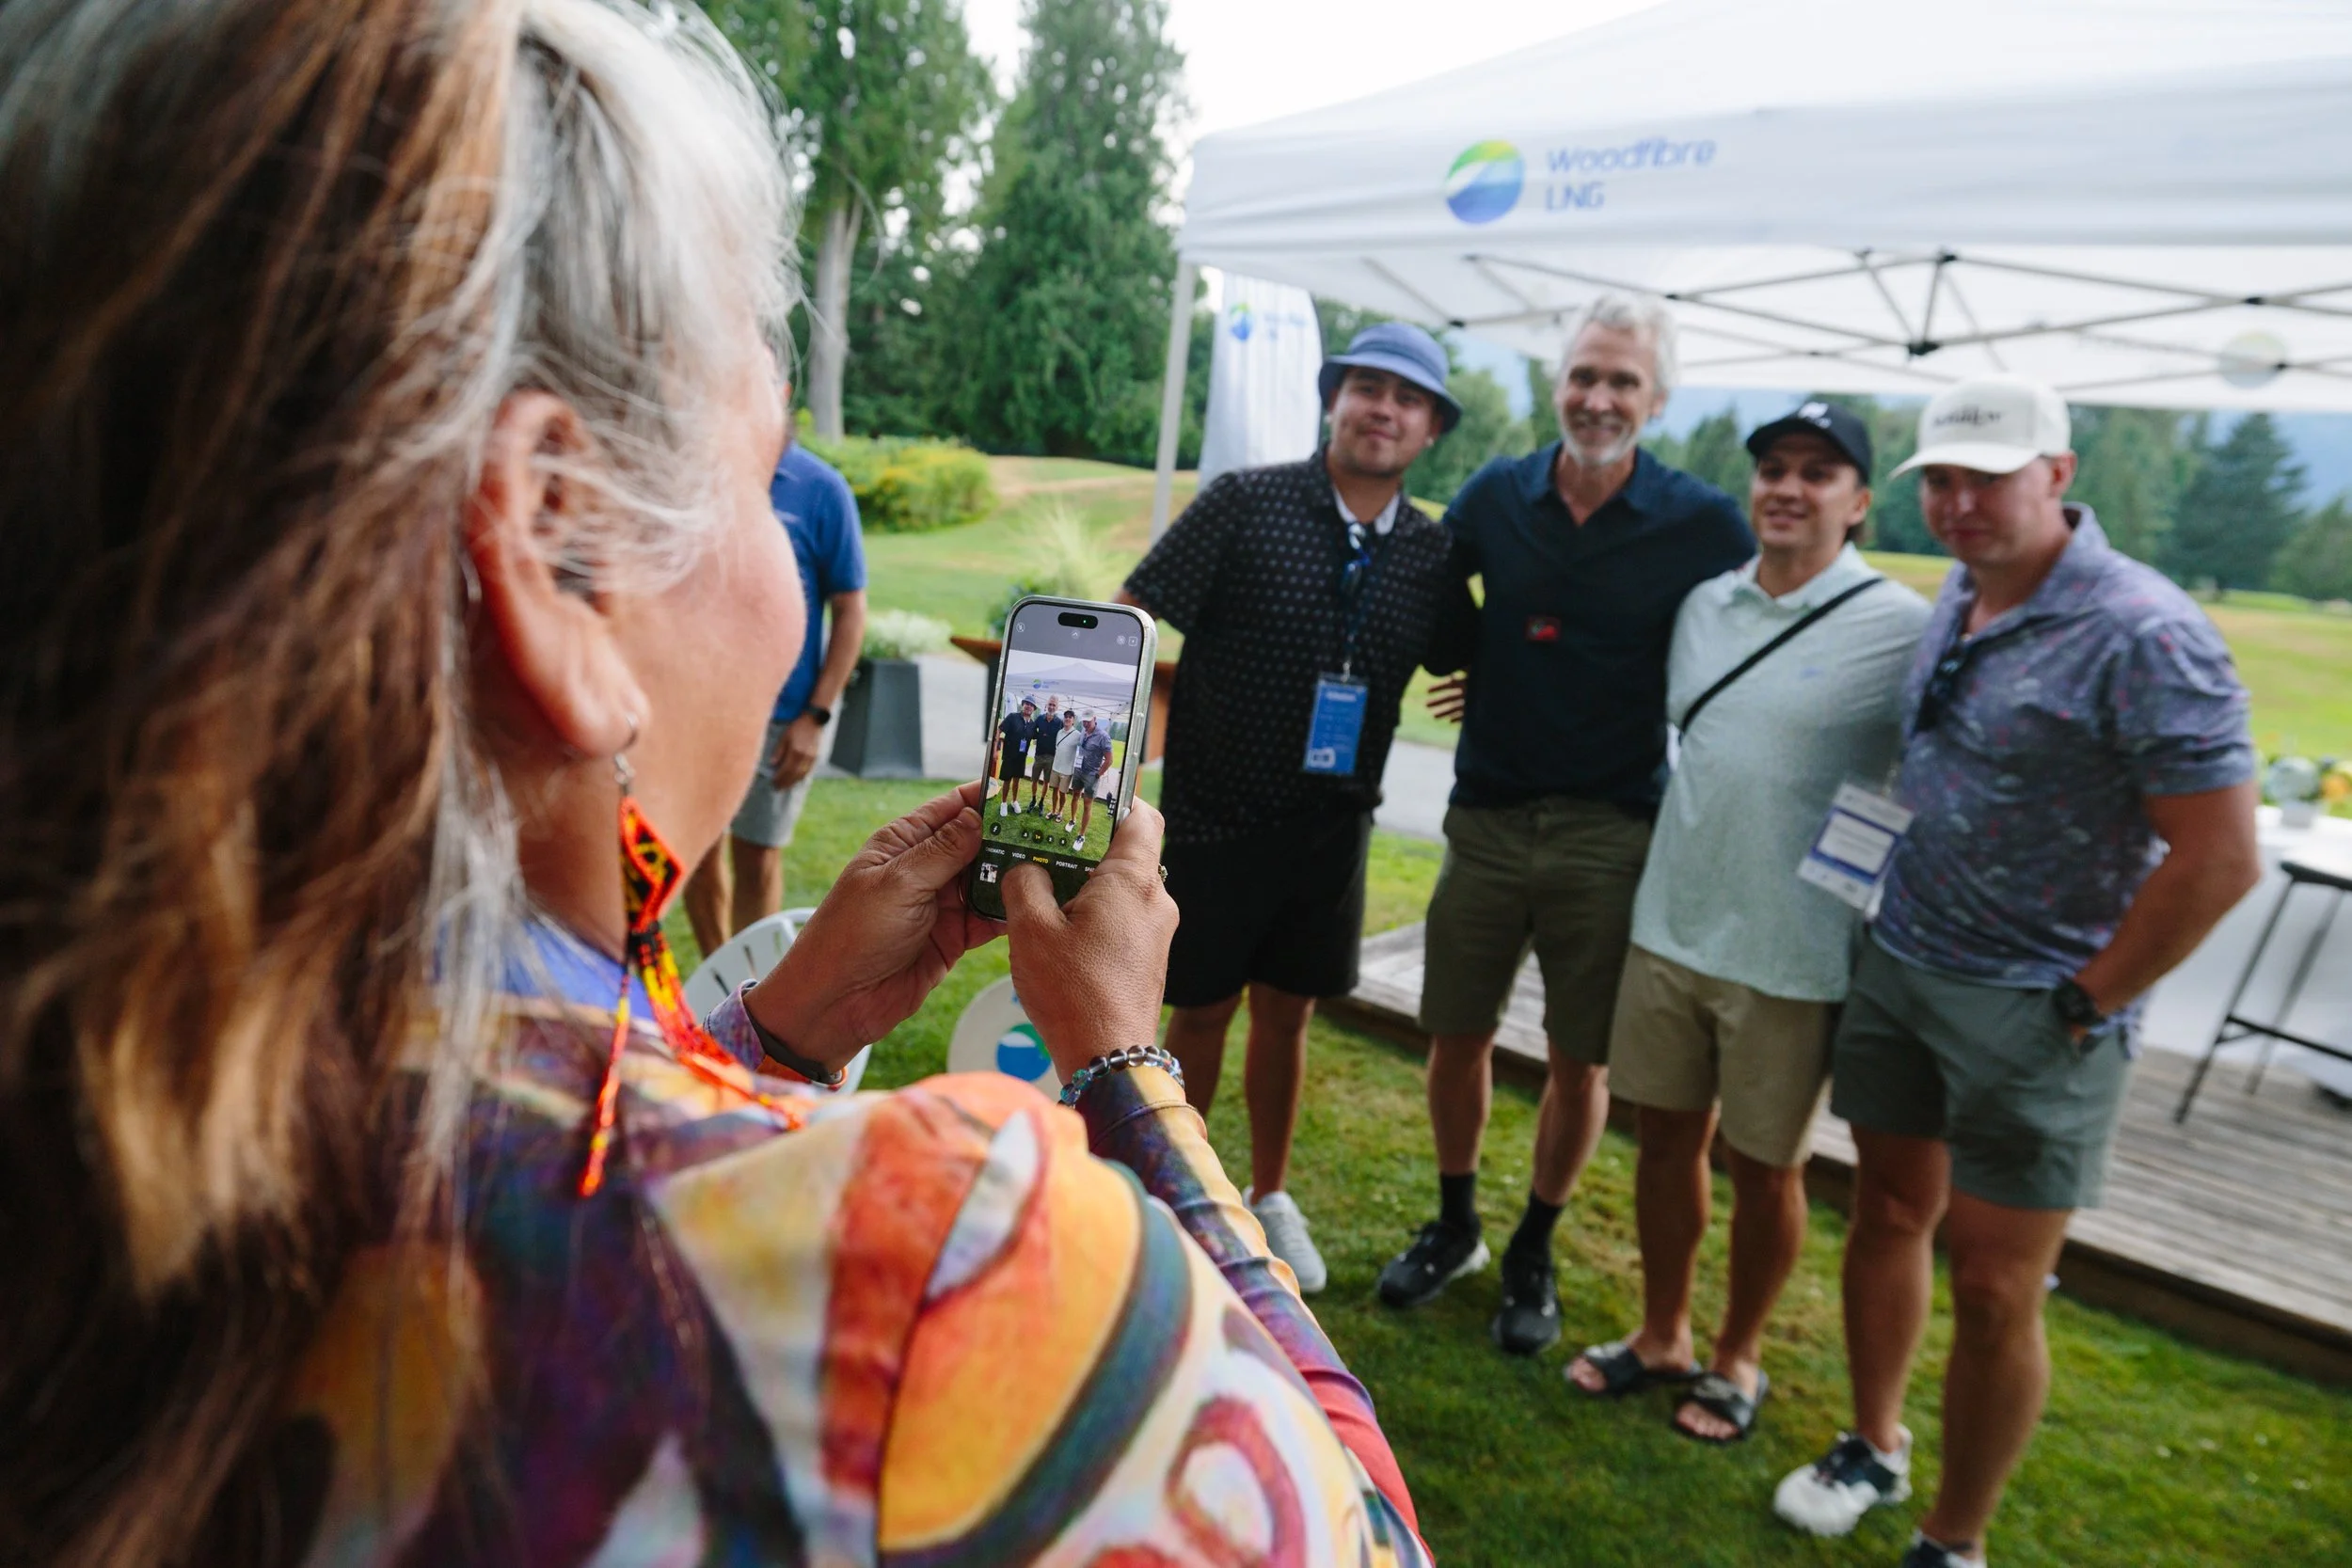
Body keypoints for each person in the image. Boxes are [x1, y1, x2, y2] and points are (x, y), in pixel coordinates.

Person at [0, 6, 1434, 1565]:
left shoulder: (113, 1072)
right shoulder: (944, 1263)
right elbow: (1365, 1531)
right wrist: (1122, 1072)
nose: (784, 585)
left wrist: (780, 1033)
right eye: (759, 480)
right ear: (555, 545)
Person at [1771, 377, 2260, 1568]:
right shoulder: (1965, 586)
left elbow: (2222, 853)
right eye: (1938, 478)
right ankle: (1873, 1441)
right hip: (1901, 956)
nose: (1956, 502)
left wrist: (2087, 999)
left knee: (1995, 1288)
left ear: (2059, 471)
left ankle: (1956, 1536)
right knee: (1886, 1211)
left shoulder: (2145, 631)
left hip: (2037, 1004)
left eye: (1985, 477)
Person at [1381, 293, 1755, 1356]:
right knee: (1454, 1034)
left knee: (1576, 1059)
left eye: (1622, 381)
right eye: (1584, 375)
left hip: (1613, 827)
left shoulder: (1704, 523)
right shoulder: (1498, 496)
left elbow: (1744, 639)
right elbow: (1449, 614)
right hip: (1489, 814)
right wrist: (1478, 666)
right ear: (1558, 385)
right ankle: (1455, 1222)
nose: (1599, 397)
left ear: (1660, 398)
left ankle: (1532, 1245)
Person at [1565, 403, 1931, 1444]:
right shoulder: (1703, 607)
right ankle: (1662, 1331)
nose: (1788, 486)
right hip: (1670, 923)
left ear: (1858, 502)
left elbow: (1931, 773)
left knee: (1767, 1167)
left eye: (1818, 472)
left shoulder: (1899, 625)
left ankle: (1738, 1356)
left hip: (1794, 950)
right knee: (1662, 1141)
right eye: (1773, 466)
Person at [1121, 322, 1470, 1296]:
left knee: (1288, 1013)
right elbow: (1140, 601)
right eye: (1366, 387)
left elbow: (1473, 656)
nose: (1382, 409)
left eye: (1405, 398)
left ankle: (1269, 1193)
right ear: (1335, 398)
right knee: (1199, 1010)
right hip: (1216, 813)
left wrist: (1479, 682)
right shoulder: (1246, 500)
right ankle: (1172, 1187)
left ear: (1430, 427)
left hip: (1332, 827)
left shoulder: (1433, 553)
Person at [683, 397, 866, 956]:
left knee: (758, 855)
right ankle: (720, 988)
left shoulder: (820, 488)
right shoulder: (695, 478)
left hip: (785, 713)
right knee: (697, 851)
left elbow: (850, 610)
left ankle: (748, 993)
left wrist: (817, 715)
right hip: (700, 709)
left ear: (782, 393)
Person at [988, 694, 1039, 826]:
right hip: (1009, 756)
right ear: (1023, 705)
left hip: (1022, 757)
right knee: (1007, 781)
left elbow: (1038, 738)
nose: (1029, 706)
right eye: (1027, 703)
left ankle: (1014, 801)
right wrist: (995, 749)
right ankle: (1004, 803)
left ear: (1034, 709)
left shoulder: (1033, 725)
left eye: (1031, 705)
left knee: (1017, 781)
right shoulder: (1012, 717)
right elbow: (999, 731)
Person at [1073, 713, 1115, 847]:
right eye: (1084, 721)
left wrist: (1098, 774)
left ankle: (1081, 835)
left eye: (1088, 721)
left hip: (1092, 775)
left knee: (1087, 804)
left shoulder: (1103, 736)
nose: (1085, 724)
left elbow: (1109, 760)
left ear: (1095, 719)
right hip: (1079, 770)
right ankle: (1072, 820)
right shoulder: (1084, 732)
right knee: (1075, 796)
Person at [1050, 706, 1082, 824]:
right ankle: (1053, 811)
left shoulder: (1077, 734)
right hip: (1055, 767)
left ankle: (1060, 812)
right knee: (1054, 790)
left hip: (1067, 771)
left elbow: (1084, 748)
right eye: (1066, 717)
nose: (1067, 719)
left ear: (1073, 720)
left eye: (1070, 717)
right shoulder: (1059, 732)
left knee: (1063, 793)